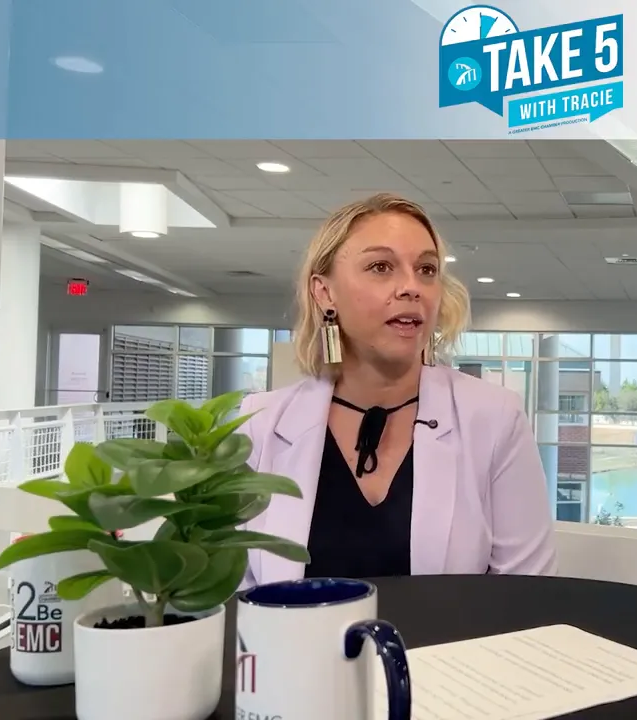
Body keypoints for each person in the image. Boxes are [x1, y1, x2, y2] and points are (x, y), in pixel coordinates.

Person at [237, 192, 557, 587]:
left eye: (426, 269)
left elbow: (524, 593)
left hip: (452, 650)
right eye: (380, 267)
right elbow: (235, 596)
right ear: (325, 292)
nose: (412, 287)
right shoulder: (260, 426)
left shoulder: (494, 418)